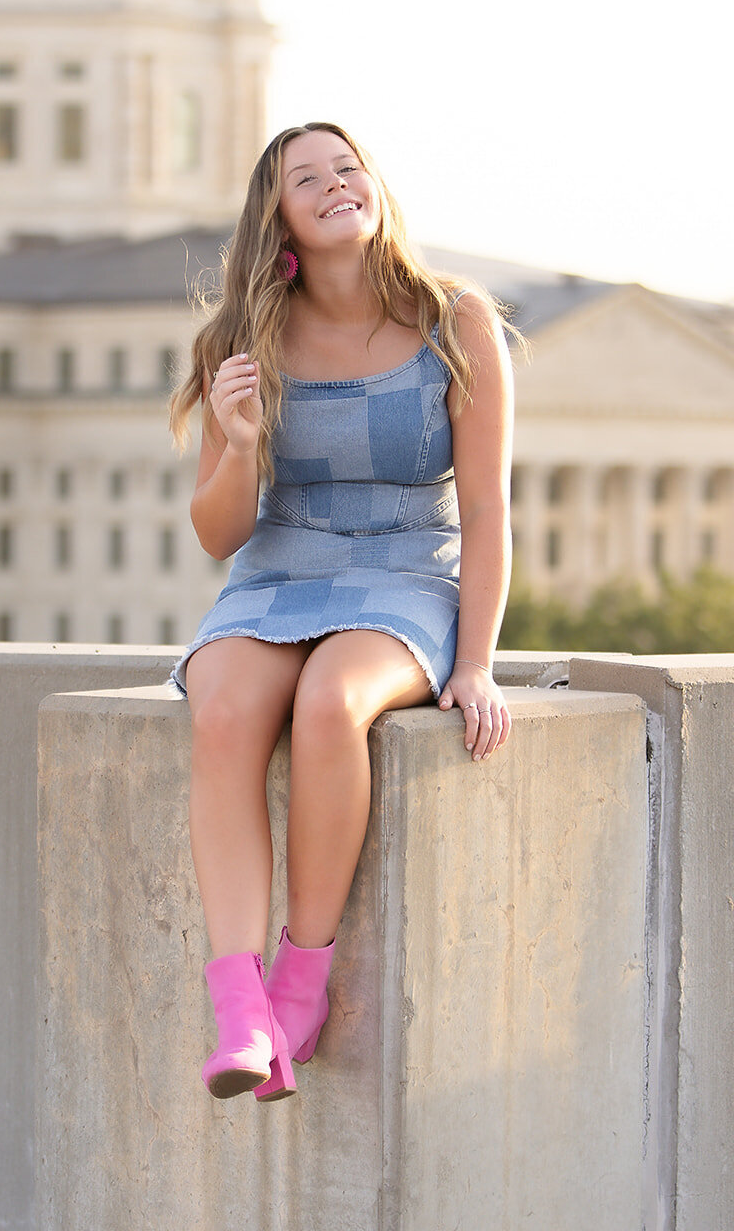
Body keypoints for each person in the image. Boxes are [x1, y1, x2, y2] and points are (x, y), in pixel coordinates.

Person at [169, 122, 516, 1102]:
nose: (333, 184)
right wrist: (237, 442)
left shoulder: (455, 318)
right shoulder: (239, 341)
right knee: (226, 707)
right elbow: (215, 531)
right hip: (279, 566)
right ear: (275, 218)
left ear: (375, 190)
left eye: (346, 167)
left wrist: (476, 661)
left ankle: (298, 987)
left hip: (406, 568)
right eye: (304, 178)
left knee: (329, 704)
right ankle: (239, 1017)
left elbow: (487, 507)